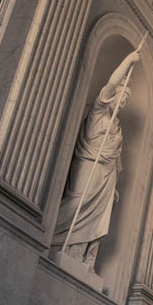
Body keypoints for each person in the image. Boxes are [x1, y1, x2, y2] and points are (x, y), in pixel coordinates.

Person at [52, 49, 140, 270]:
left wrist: (114, 187)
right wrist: (128, 59)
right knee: (77, 203)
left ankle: (82, 257)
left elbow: (115, 160)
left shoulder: (117, 127)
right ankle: (55, 238)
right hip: (88, 166)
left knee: (99, 218)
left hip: (106, 177)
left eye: (126, 100)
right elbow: (112, 82)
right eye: (121, 97)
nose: (122, 102)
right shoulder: (98, 111)